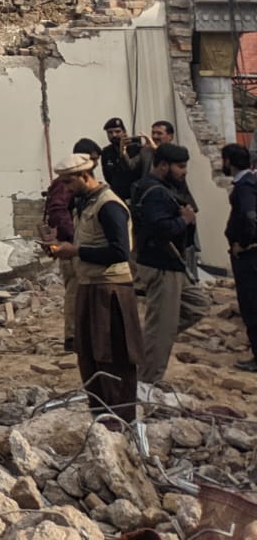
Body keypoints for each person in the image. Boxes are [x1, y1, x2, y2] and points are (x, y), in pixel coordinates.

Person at [49, 151, 143, 421]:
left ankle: (120, 419)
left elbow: (119, 252)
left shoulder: (109, 205)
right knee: (90, 356)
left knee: (112, 356)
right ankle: (100, 416)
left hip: (110, 291)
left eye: (68, 182)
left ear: (85, 176)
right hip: (90, 287)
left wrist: (76, 251)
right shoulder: (85, 203)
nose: (66, 189)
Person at [131, 141, 206, 395]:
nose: (184, 172)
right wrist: (183, 221)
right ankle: (146, 383)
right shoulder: (155, 192)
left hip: (173, 266)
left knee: (197, 305)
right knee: (160, 327)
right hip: (161, 265)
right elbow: (159, 228)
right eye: (180, 167)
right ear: (163, 166)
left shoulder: (163, 188)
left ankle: (147, 343)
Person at [43, 139, 103, 353]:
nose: (95, 166)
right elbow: (58, 210)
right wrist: (75, 237)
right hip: (69, 244)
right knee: (75, 290)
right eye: (92, 160)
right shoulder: (66, 182)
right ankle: (73, 336)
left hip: (72, 243)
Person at [220, 143, 257, 373]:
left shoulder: (244, 187)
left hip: (248, 257)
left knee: (251, 306)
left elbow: (250, 217)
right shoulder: (250, 183)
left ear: (228, 162)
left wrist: (243, 244)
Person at [99, 116, 150, 203]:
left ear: (124, 132)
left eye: (117, 131)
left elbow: (138, 170)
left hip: (137, 194)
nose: (114, 135)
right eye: (110, 132)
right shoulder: (106, 152)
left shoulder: (135, 149)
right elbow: (108, 176)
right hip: (118, 195)